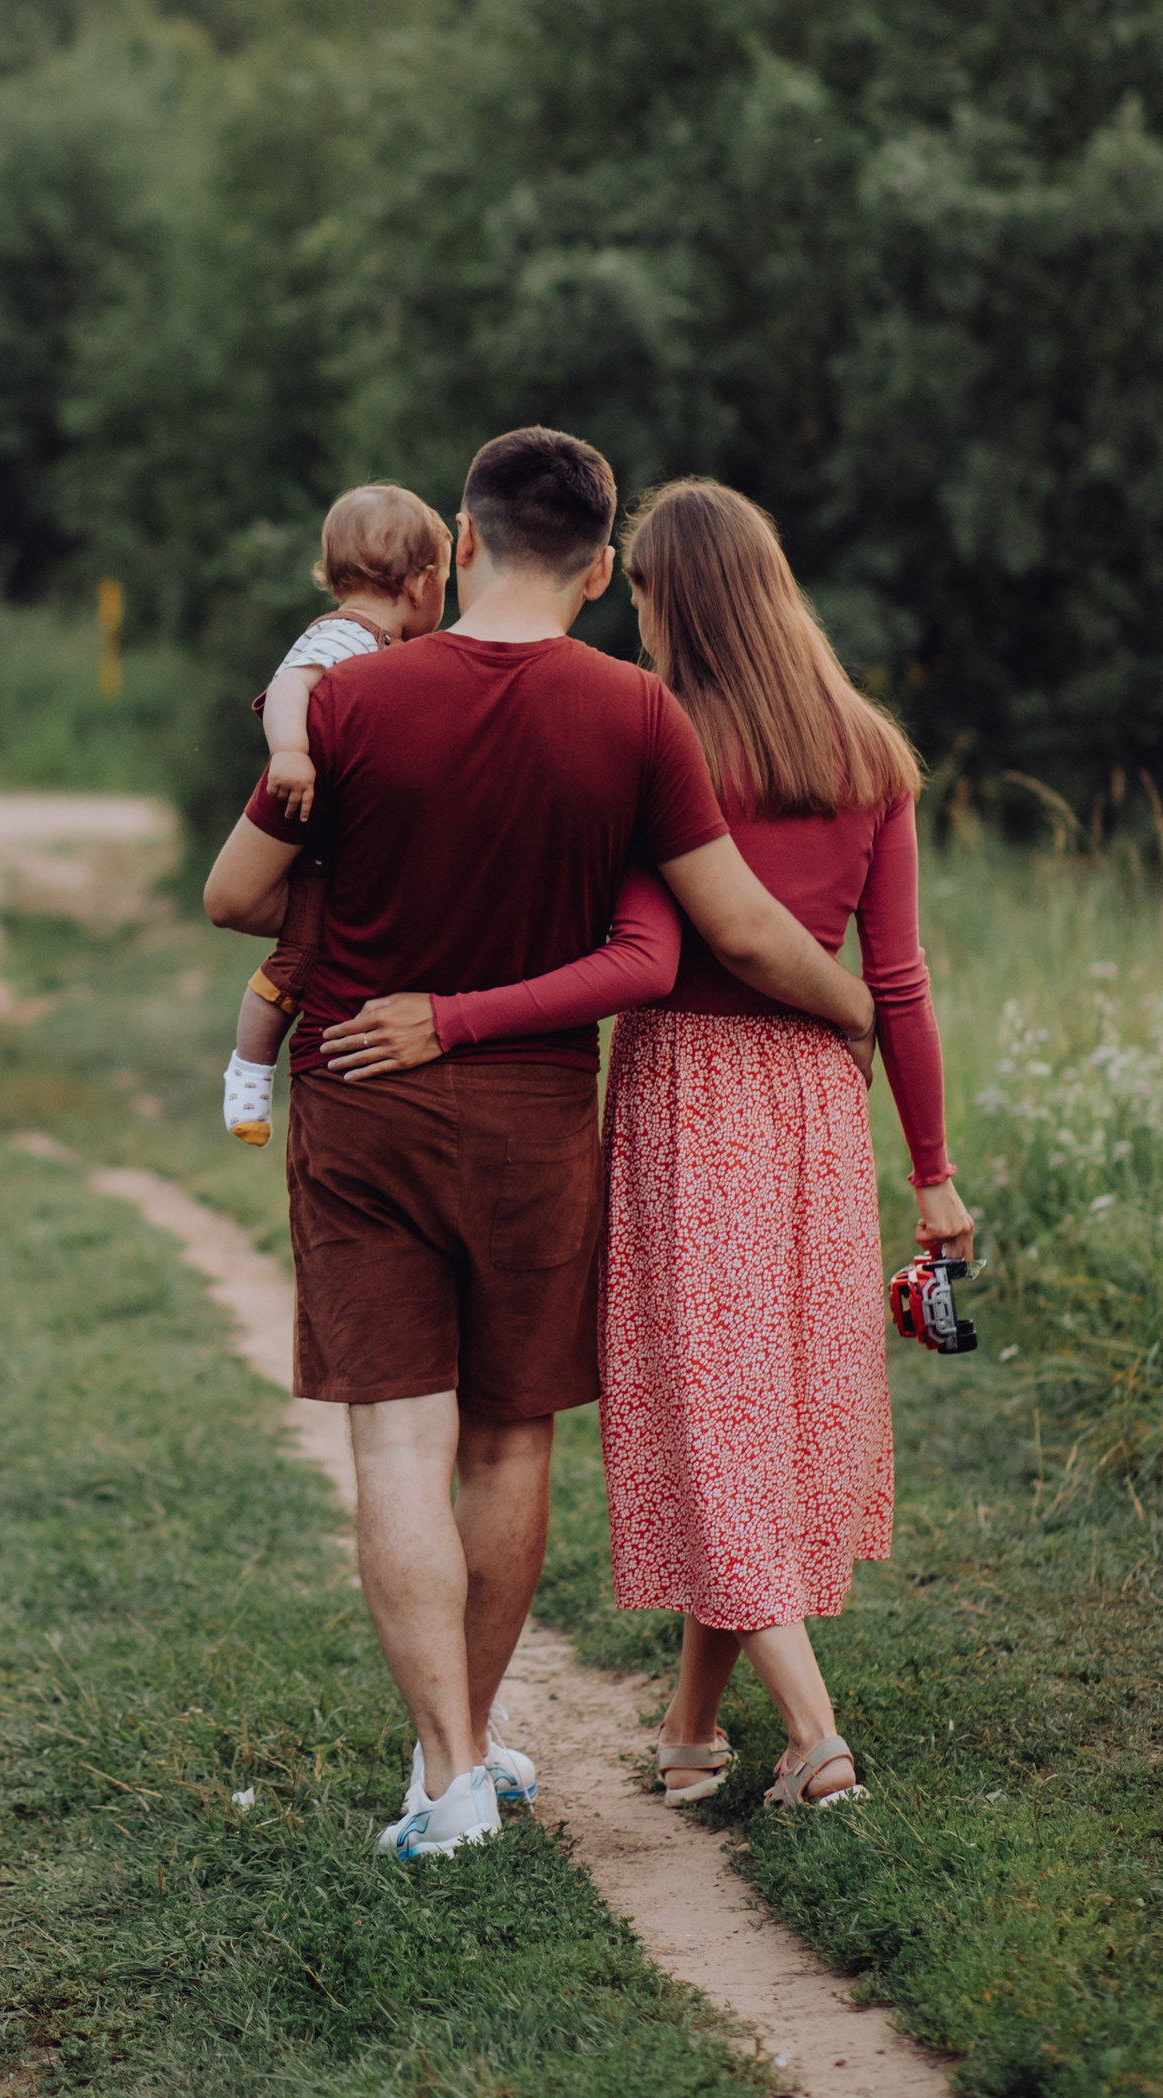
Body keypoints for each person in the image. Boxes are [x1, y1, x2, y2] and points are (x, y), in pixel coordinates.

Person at [202, 427, 879, 1862]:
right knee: (509, 1440)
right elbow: (738, 928)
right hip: (533, 1123)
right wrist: (853, 1009)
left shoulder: (355, 700)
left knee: (396, 1438)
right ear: (601, 564)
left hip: (362, 1103)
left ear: (461, 536)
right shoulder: (638, 717)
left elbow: (233, 894)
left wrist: (354, 893)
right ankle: (462, 1748)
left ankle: (449, 1774)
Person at [325, 477, 974, 1814]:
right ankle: (690, 1727)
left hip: (695, 1096)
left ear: (667, 598)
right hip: (820, 1109)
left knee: (711, 1421)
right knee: (763, 1412)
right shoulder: (870, 753)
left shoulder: (658, 739)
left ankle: (816, 1733)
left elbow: (663, 950)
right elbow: (899, 985)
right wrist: (934, 1171)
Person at [223, 487, 452, 1146]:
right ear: (417, 583)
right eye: (443, 579)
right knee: (298, 958)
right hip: (320, 849)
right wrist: (291, 752)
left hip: (350, 847)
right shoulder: (345, 636)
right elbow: (292, 685)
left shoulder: (382, 646)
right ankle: (249, 1073)